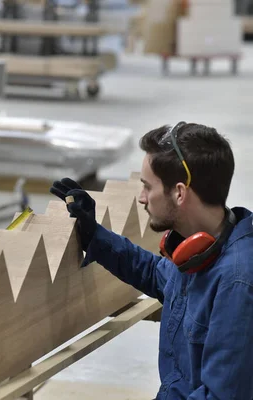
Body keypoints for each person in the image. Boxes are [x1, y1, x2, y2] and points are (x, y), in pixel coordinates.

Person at [50, 122, 253, 399]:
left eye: (148, 186)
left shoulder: (237, 282)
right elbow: (155, 273)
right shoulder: (200, 247)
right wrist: (93, 235)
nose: (142, 198)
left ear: (180, 193)